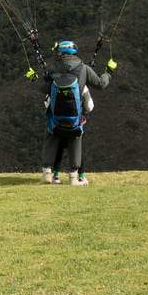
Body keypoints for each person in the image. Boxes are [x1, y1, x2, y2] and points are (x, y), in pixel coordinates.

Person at [29, 38, 112, 186]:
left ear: (60, 53)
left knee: (51, 137)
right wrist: (109, 72)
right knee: (75, 138)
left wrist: (33, 79)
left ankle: (47, 174)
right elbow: (100, 84)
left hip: (55, 118)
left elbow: (43, 89)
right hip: (75, 118)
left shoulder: (53, 70)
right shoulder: (84, 68)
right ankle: (74, 177)